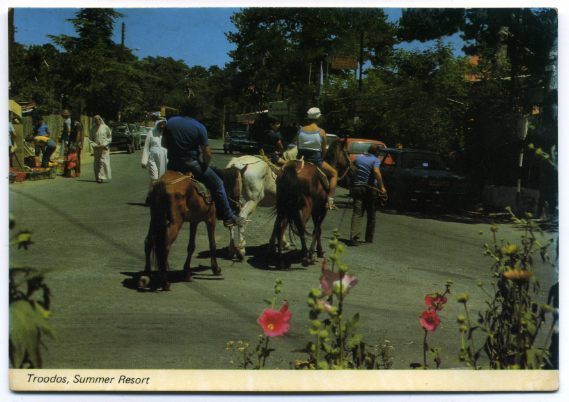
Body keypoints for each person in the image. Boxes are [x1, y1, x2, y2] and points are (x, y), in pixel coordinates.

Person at [163, 102, 245, 228]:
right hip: (192, 163)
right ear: (196, 113)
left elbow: (164, 144)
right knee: (218, 184)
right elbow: (207, 153)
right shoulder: (199, 127)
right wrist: (205, 165)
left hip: (173, 164)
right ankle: (228, 216)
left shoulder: (171, 122)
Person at [295, 107, 337, 208]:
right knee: (334, 173)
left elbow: (298, 146)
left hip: (301, 159)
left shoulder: (300, 130)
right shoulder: (321, 132)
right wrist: (321, 158)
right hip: (316, 160)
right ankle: (330, 201)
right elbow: (324, 149)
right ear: (318, 118)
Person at [349, 144, 387, 246]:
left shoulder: (359, 158)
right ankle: (369, 238)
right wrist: (382, 187)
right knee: (371, 214)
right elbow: (376, 171)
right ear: (377, 152)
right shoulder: (375, 160)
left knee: (357, 212)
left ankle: (354, 237)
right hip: (369, 189)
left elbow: (351, 167)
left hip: (357, 187)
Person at [141, 119, 168, 204]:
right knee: (154, 178)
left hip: (164, 159)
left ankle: (156, 197)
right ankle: (151, 196)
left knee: (162, 180)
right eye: (161, 124)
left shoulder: (167, 134)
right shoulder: (151, 133)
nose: (162, 126)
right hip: (152, 158)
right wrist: (144, 161)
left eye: (164, 124)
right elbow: (146, 147)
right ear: (158, 124)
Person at [89, 115, 112, 183]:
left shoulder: (105, 127)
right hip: (97, 148)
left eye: (98, 120)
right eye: (95, 120)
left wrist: (104, 144)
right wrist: (95, 145)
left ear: (100, 120)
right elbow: (90, 139)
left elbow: (109, 137)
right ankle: (97, 177)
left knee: (103, 162)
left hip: (104, 148)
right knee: (97, 163)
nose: (97, 121)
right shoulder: (92, 129)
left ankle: (101, 177)